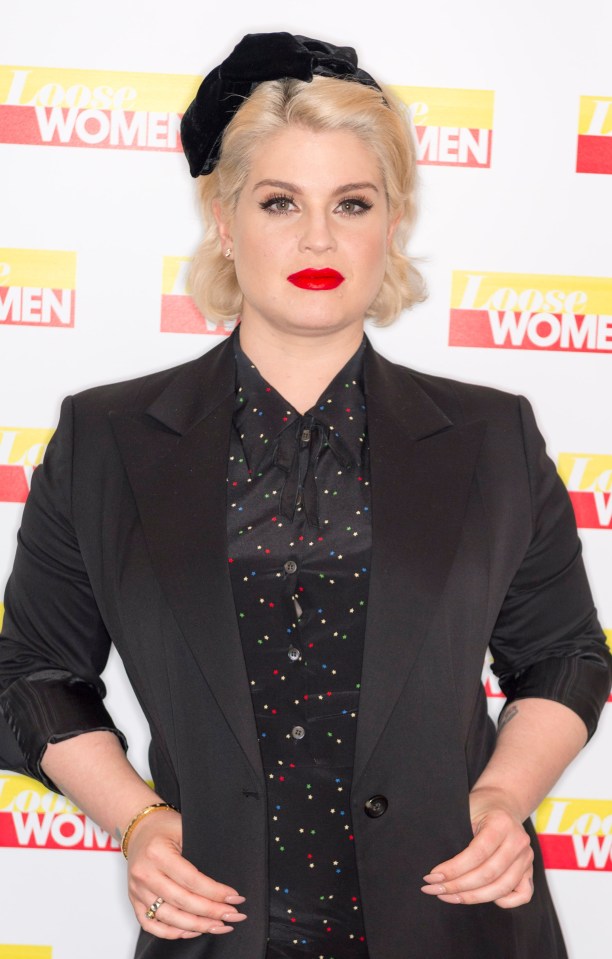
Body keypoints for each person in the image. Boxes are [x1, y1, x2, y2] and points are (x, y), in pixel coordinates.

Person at [0, 31, 610, 959]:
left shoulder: (493, 435)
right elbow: (34, 672)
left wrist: (502, 798)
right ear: (223, 217)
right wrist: (137, 821)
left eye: (352, 203)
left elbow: (563, 654)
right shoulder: (106, 440)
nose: (318, 237)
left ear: (391, 223)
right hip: (216, 927)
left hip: (461, 924)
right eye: (280, 201)